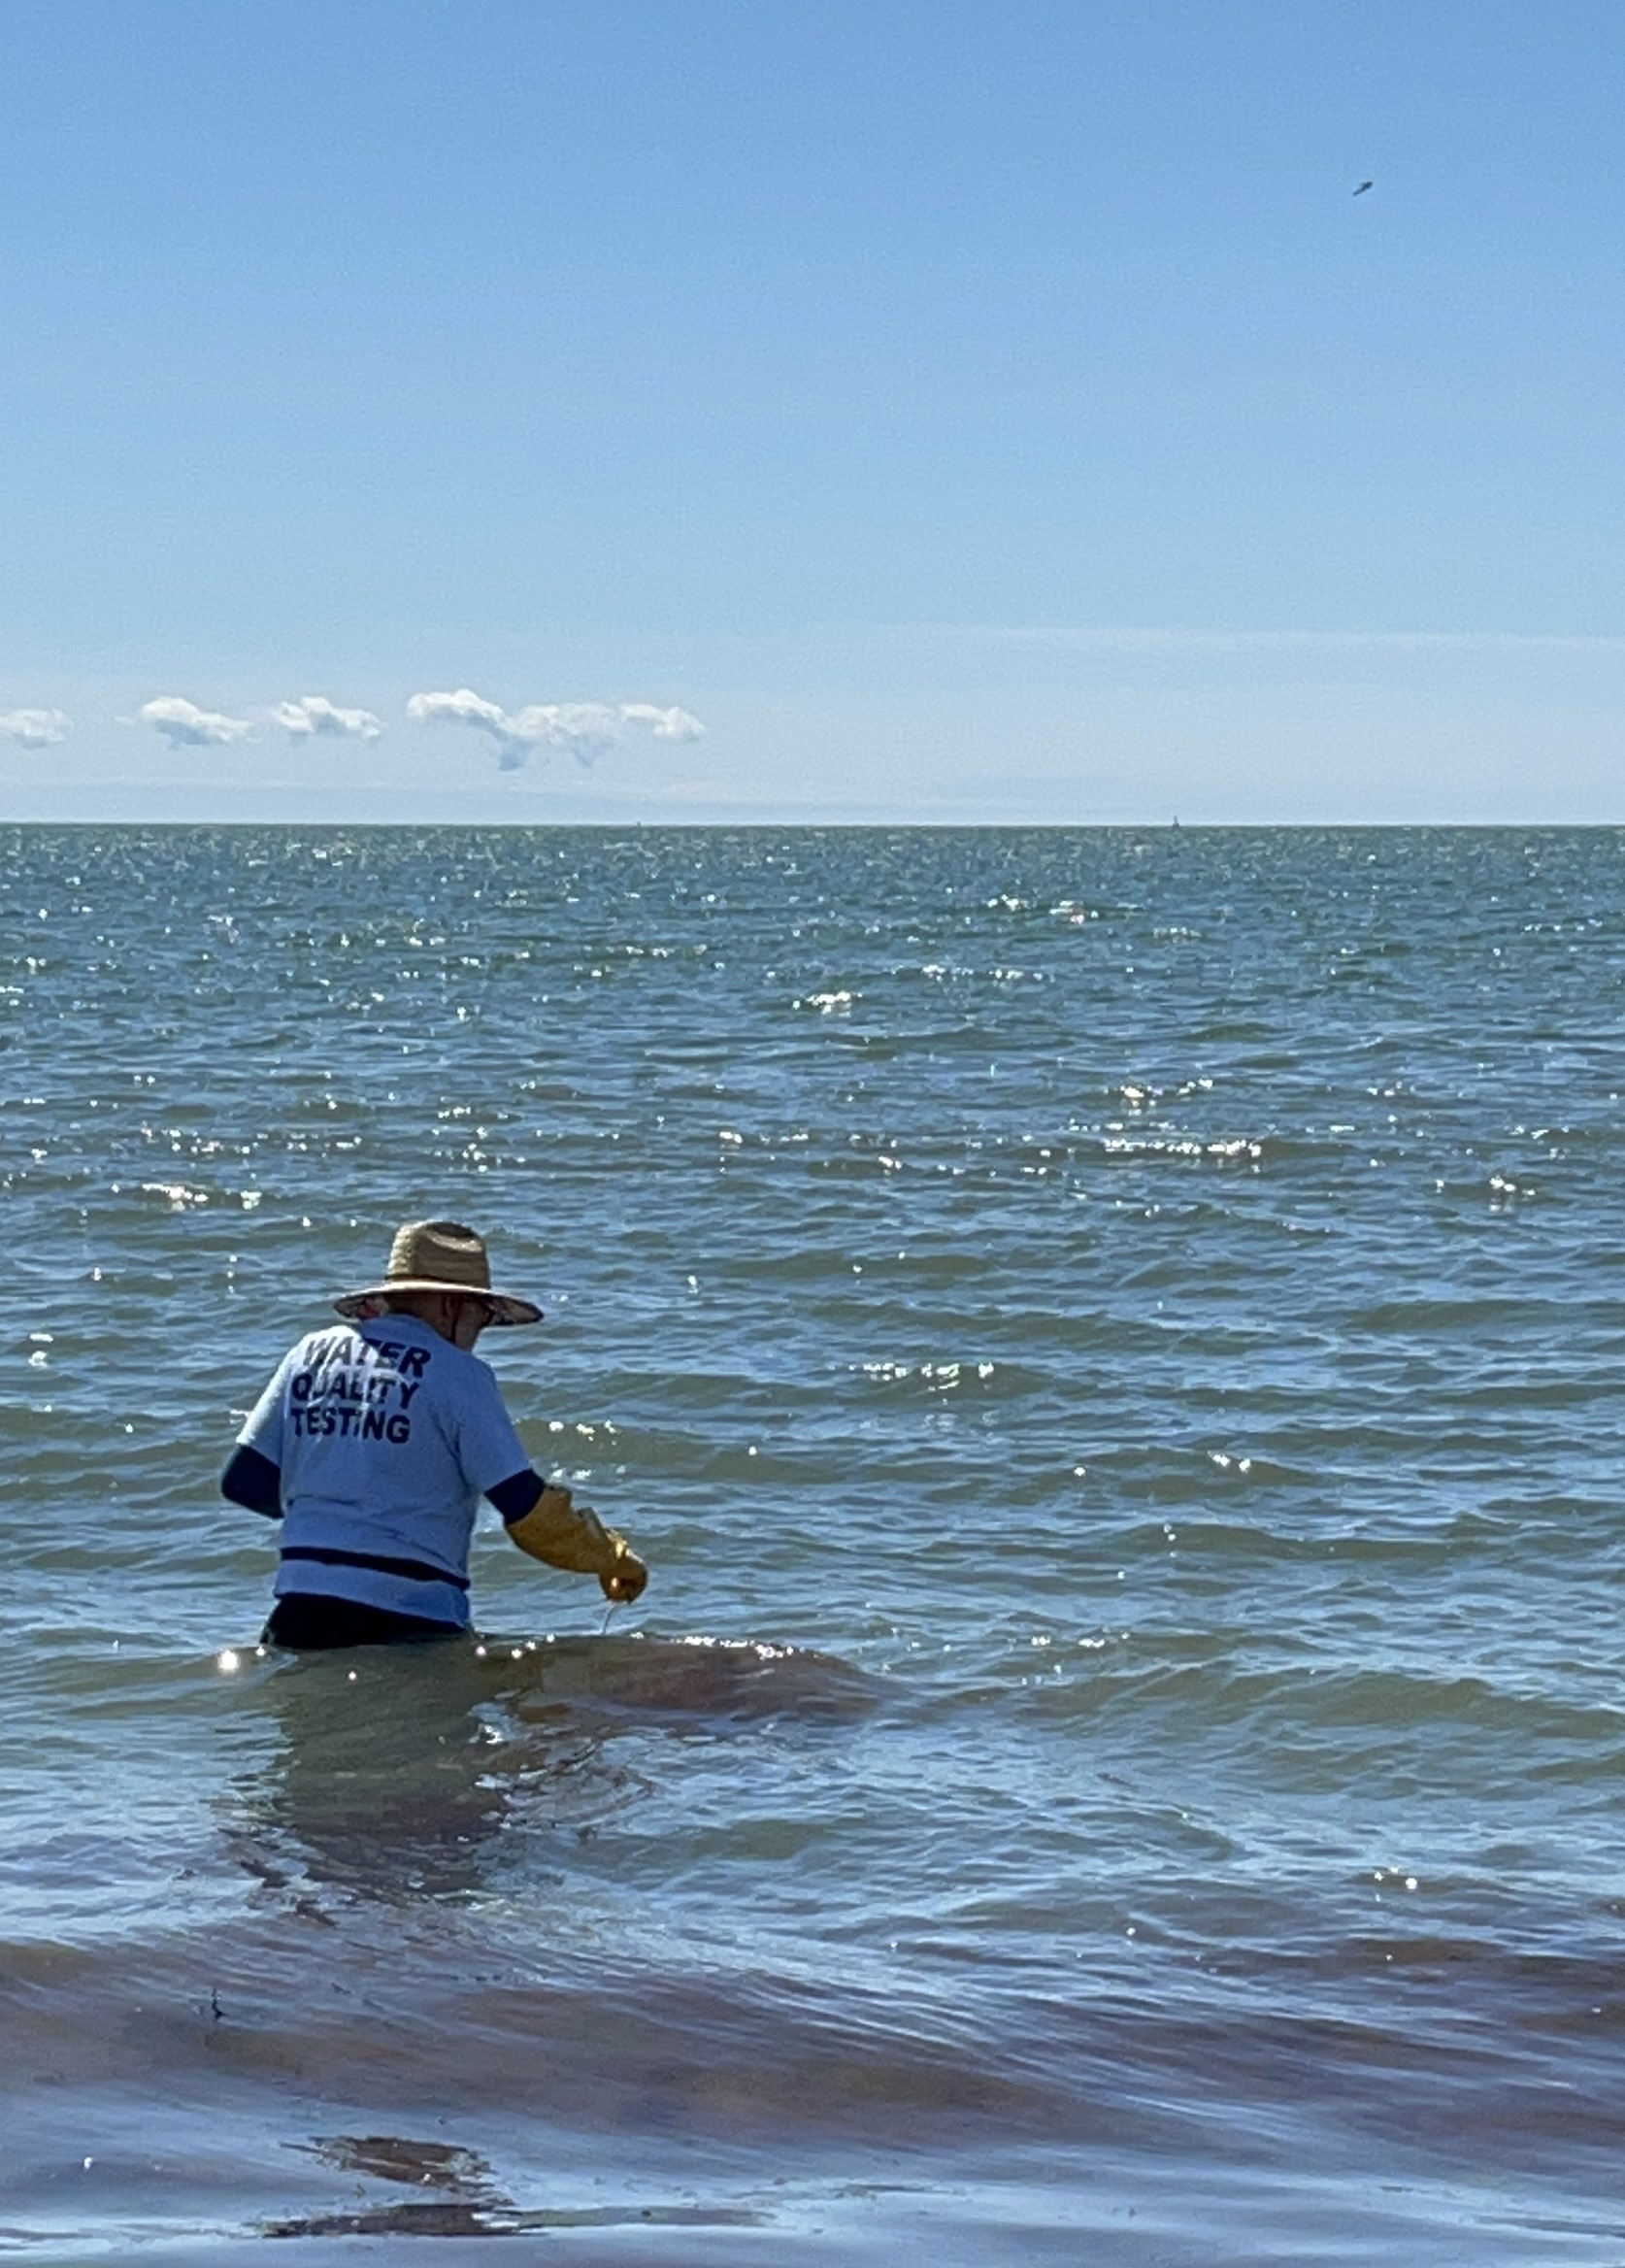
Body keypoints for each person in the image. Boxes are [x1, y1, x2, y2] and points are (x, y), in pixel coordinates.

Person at [221, 1217, 647, 1650]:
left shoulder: (312, 1352)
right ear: (451, 1305)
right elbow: (524, 1509)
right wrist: (610, 1557)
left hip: (297, 1613)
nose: (480, 1331)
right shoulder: (461, 1375)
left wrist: (332, 1517)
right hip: (408, 1621)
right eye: (483, 1316)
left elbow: (243, 1482)